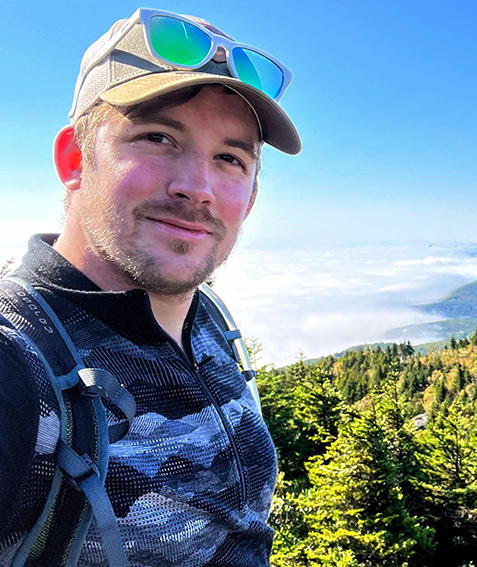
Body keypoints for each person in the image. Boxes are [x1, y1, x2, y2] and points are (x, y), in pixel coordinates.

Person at [0, 8, 300, 566]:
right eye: (158, 137)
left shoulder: (208, 318)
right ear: (75, 159)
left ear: (252, 196)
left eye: (230, 158)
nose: (198, 188)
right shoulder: (16, 362)